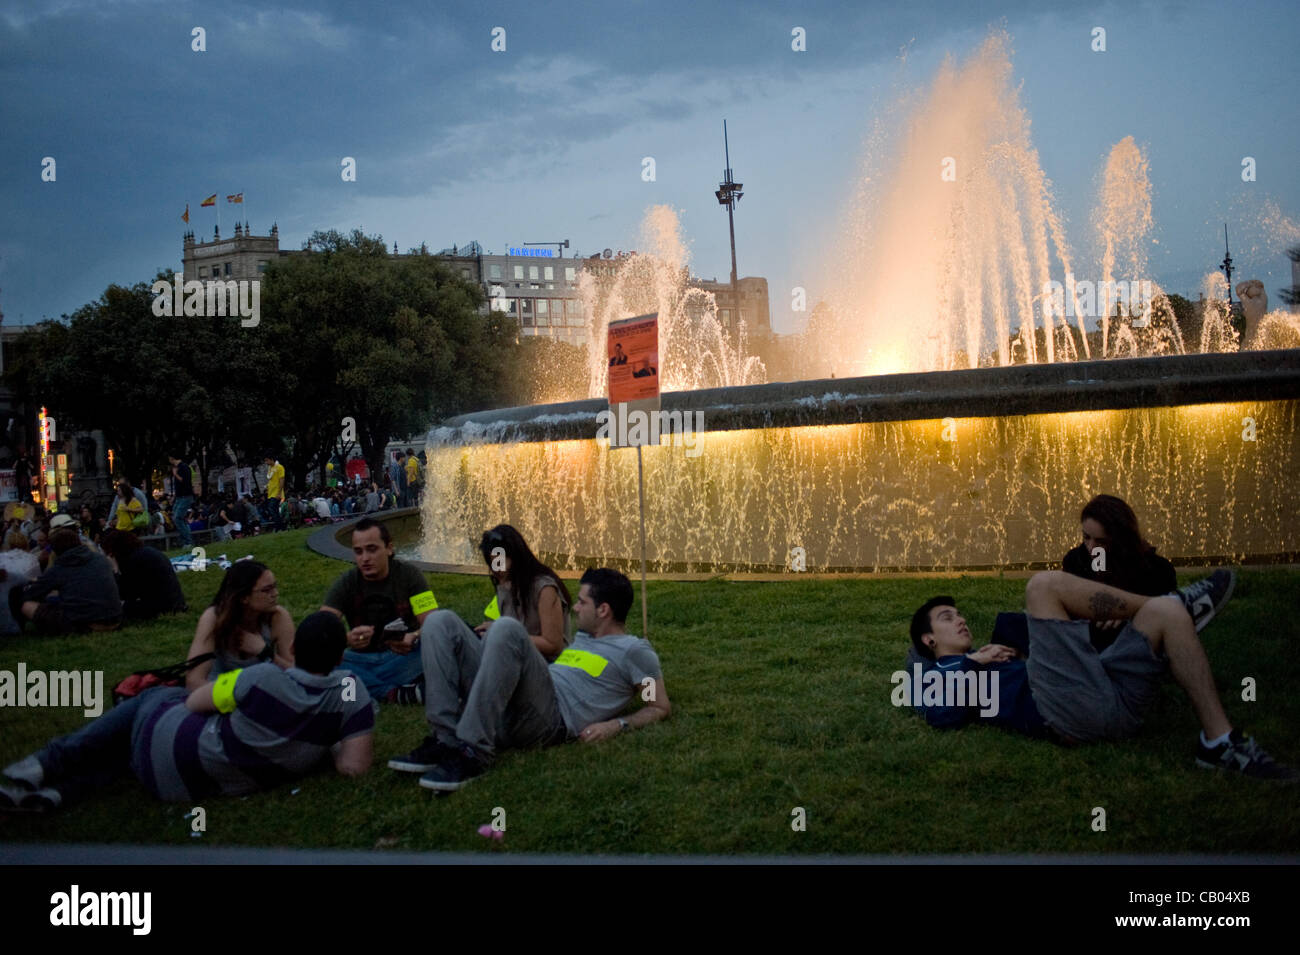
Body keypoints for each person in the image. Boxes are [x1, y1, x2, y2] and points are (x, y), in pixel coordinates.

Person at [906, 568, 1297, 780]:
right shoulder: (935, 675)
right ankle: (1173, 600)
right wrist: (974, 662)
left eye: (958, 614)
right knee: (1042, 585)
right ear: (928, 639)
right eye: (946, 618)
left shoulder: (991, 651)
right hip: (1063, 710)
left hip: (1109, 698)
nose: (959, 621)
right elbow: (938, 714)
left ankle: (1219, 743)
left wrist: (1001, 652)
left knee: (1166, 618)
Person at [0, 612, 373, 811]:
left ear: (294, 648)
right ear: (341, 657)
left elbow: (193, 701)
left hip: (175, 750)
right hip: (187, 787)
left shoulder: (260, 677)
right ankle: (58, 794)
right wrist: (323, 742)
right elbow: (353, 767)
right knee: (131, 755)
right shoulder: (351, 694)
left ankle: (41, 766)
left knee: (154, 700)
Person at [388, 567, 670, 791]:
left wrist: (616, 724)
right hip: (517, 701)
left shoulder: (633, 651)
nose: (575, 608)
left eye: (582, 602)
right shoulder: (585, 638)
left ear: (603, 610)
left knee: (507, 629)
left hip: (549, 720)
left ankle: (474, 751)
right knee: (441, 622)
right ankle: (446, 738)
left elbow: (657, 706)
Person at [321, 517, 437, 702]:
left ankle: (362, 686)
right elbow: (320, 630)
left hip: (404, 656)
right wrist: (345, 640)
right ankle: (396, 693)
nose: (365, 558)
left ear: (389, 548)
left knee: (438, 643)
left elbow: (433, 623)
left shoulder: (409, 575)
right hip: (361, 659)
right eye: (358, 552)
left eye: (372, 549)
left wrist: (414, 636)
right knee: (323, 659)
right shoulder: (348, 582)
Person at [1061, 494, 1177, 651]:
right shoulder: (1076, 561)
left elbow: (1166, 615)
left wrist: (1125, 612)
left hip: (1135, 643)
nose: (1091, 547)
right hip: (1085, 642)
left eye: (1101, 541)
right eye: (1086, 537)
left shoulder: (1157, 570)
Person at [184, 560, 294, 689]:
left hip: (261, 695)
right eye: (266, 590)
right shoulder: (214, 618)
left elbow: (297, 675)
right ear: (243, 597)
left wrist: (265, 653)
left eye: (274, 586)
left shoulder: (277, 617)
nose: (275, 594)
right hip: (216, 695)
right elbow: (193, 681)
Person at [8, 528, 123, 634]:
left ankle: (16, 629)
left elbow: (32, 593)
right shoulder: (100, 559)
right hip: (115, 619)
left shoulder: (60, 567)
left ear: (55, 550)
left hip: (84, 624)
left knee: (22, 601)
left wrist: (32, 584)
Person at [100, 529, 187, 621]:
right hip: (175, 602)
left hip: (162, 607)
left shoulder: (133, 560)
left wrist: (115, 571)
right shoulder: (143, 553)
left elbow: (125, 593)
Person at [169, 453, 194, 548]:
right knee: (178, 518)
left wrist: (175, 474)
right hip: (180, 497)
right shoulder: (179, 468)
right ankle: (185, 540)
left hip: (185, 496)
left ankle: (188, 541)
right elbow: (178, 485)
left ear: (172, 458)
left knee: (178, 518)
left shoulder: (184, 467)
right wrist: (174, 496)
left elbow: (185, 481)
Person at [263, 452, 286, 531]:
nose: (266, 463)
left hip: (276, 493)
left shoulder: (280, 467)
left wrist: (279, 493)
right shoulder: (270, 468)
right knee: (275, 510)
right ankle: (281, 527)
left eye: (267, 461)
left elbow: (282, 480)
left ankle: (278, 526)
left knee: (271, 508)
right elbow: (271, 480)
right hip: (270, 493)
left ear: (271, 459)